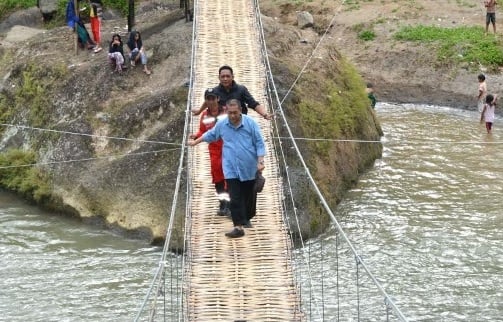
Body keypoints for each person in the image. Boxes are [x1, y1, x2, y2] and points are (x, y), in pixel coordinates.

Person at [188, 99, 266, 238]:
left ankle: (246, 217)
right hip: (230, 167)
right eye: (230, 113)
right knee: (234, 197)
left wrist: (260, 161)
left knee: (248, 196)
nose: (233, 116)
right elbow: (210, 134)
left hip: (248, 167)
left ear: (240, 111)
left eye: (235, 113)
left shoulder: (250, 123)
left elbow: (259, 142)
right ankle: (238, 227)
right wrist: (195, 142)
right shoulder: (222, 124)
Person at [189, 88, 230, 217]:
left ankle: (229, 205)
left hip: (228, 148)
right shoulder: (204, 116)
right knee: (218, 178)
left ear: (218, 99)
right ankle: (222, 203)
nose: (211, 101)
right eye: (208, 98)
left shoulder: (227, 111)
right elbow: (202, 131)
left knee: (229, 176)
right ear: (206, 100)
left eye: (213, 98)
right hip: (214, 150)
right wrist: (196, 136)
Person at [192, 65, 272, 120]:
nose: (225, 79)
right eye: (223, 77)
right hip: (223, 124)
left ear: (232, 77)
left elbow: (253, 104)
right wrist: (199, 111)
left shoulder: (241, 89)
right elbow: (208, 102)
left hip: (240, 123)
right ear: (219, 78)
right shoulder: (215, 91)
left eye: (228, 76)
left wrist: (265, 114)